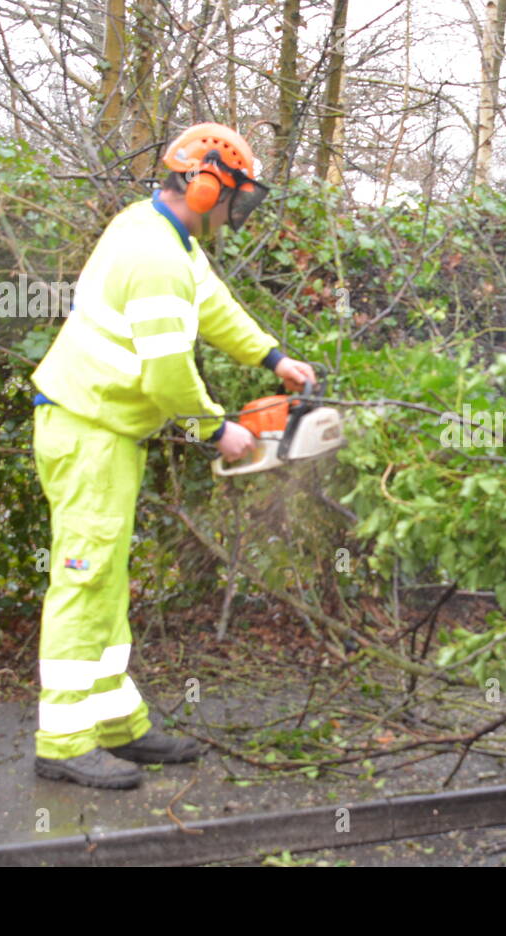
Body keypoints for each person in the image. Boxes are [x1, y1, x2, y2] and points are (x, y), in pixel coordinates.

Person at [29, 123, 315, 788]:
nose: (233, 210)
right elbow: (167, 379)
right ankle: (63, 740)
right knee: (82, 578)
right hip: (87, 429)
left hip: (105, 431)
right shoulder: (155, 257)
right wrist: (221, 430)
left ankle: (115, 723)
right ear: (205, 181)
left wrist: (273, 357)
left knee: (103, 577)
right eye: (232, 195)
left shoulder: (163, 236)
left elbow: (212, 306)